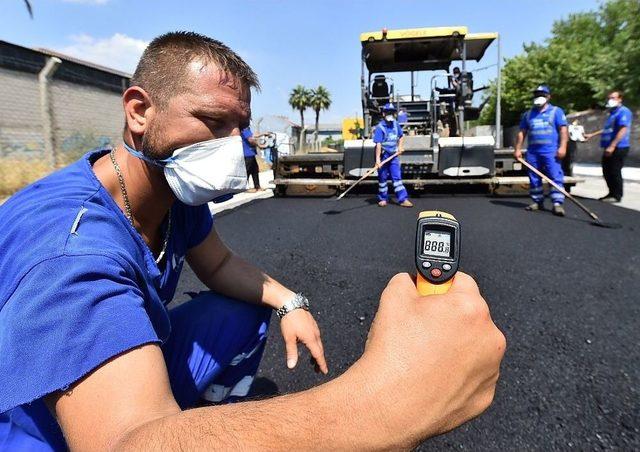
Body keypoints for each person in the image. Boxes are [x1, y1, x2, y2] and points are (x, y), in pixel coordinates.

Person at [0, 32, 505, 451]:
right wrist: (380, 407)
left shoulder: (173, 193)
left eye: (239, 128)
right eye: (212, 122)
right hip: (43, 420)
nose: (230, 146)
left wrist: (291, 302)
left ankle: (190, 424)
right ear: (139, 111)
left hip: (126, 376)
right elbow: (123, 442)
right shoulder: (70, 251)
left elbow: (218, 265)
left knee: (243, 310)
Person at [514, 85, 568, 216]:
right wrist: (517, 149)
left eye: (542, 95)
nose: (539, 97)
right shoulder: (528, 115)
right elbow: (522, 132)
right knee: (534, 178)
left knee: (555, 176)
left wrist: (563, 147)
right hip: (533, 152)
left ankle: (557, 203)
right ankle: (537, 201)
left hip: (551, 152)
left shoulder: (556, 112)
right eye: (537, 94)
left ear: (548, 97)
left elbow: (563, 130)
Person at [584, 90, 633, 203]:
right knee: (607, 170)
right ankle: (611, 193)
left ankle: (616, 195)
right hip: (609, 146)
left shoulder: (623, 112)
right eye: (609, 98)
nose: (610, 100)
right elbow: (607, 129)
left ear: (620, 99)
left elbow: (623, 129)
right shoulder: (612, 113)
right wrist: (592, 135)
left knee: (614, 171)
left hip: (618, 147)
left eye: (613, 98)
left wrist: (612, 145)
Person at [374, 103, 413, 208]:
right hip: (383, 156)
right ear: (383, 114)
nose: (390, 114)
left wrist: (400, 147)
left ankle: (403, 199)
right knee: (382, 178)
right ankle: (382, 199)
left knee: (397, 178)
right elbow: (378, 144)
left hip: (393, 156)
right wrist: (378, 160)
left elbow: (401, 136)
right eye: (388, 112)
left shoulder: (396, 124)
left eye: (392, 112)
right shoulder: (380, 127)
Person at [241, 126, 265, 192]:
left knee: (255, 170)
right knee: (247, 170)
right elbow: (250, 140)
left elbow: (253, 135)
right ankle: (245, 187)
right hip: (247, 153)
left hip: (251, 153)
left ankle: (257, 186)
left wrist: (263, 133)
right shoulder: (244, 128)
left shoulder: (246, 129)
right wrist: (259, 145)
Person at [565, 119, 586, 191]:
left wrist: (581, 136)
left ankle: (567, 187)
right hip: (568, 148)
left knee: (567, 167)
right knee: (567, 167)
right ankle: (566, 187)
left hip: (569, 149)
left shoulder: (569, 128)